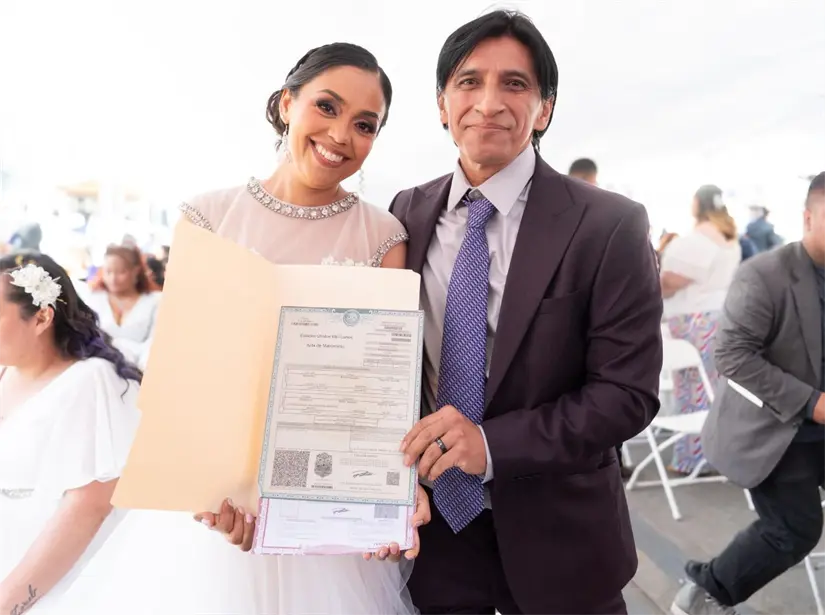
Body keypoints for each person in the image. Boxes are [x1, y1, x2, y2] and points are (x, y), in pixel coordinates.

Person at [106, 43, 429, 615]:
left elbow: (380, 394)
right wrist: (212, 493)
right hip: (219, 506)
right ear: (287, 103)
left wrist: (386, 496)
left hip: (327, 506)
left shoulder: (383, 235)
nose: (340, 135)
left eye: (364, 124)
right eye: (325, 107)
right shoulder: (207, 217)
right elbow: (184, 374)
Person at [391, 11, 663, 614]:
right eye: (468, 82)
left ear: (544, 109)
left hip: (561, 541)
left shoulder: (608, 224)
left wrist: (490, 444)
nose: (488, 102)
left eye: (514, 84)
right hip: (434, 533)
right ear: (441, 103)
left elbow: (627, 393)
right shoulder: (404, 214)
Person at [671, 172, 825, 615]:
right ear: (806, 218)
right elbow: (733, 357)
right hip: (777, 428)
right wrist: (814, 403)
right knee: (793, 530)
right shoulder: (764, 275)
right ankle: (705, 591)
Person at [0, 253, 142, 614]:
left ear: (42, 318)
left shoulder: (90, 380)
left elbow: (88, 508)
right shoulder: (4, 373)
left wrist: (9, 602)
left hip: (56, 583)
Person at [659, 185, 741, 474]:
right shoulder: (727, 238)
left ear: (697, 204)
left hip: (694, 320)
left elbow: (669, 283)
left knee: (692, 388)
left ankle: (692, 459)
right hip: (721, 318)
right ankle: (720, 454)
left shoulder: (696, 240)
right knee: (714, 389)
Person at [84, 244, 161, 370]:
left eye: (121, 272)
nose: (113, 279)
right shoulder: (94, 299)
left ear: (136, 271)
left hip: (142, 371)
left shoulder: (155, 301)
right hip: (99, 370)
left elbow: (154, 343)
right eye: (108, 272)